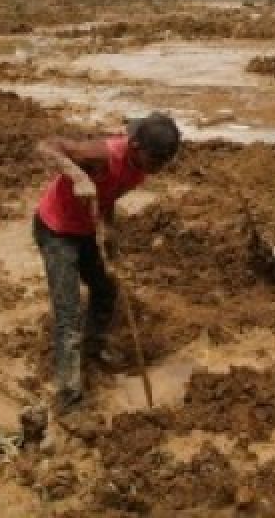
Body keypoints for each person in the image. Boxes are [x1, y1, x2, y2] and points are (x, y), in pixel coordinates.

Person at [33, 112, 182, 414]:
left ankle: (92, 350)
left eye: (165, 163)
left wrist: (110, 230)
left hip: (85, 230)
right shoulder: (103, 153)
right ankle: (69, 398)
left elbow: (110, 193)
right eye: (157, 161)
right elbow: (47, 146)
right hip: (56, 230)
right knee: (68, 313)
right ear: (137, 146)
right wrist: (78, 176)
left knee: (105, 291)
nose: (159, 169)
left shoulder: (140, 170)